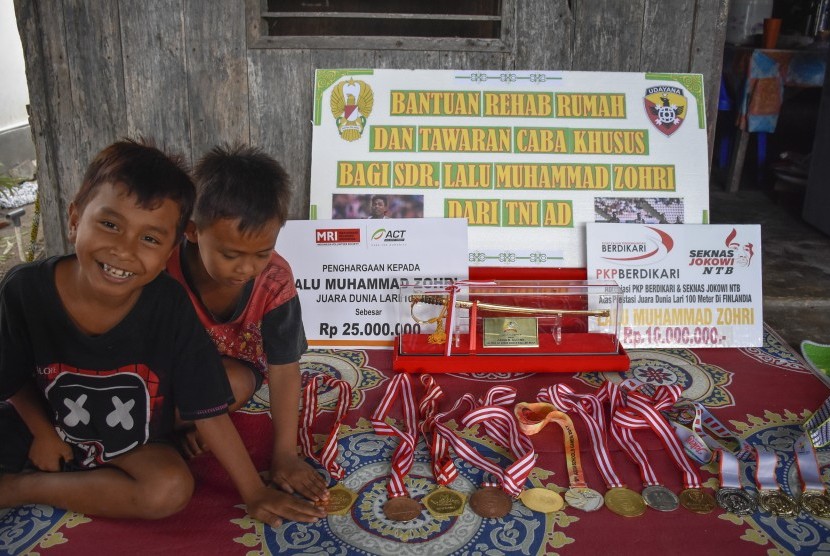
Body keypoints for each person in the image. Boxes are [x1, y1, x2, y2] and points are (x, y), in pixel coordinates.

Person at [0, 139, 325, 527]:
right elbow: (11, 374)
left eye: (149, 238)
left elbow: (222, 402)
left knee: (171, 486)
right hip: (49, 418)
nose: (125, 249)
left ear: (167, 244)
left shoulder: (172, 301)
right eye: (110, 225)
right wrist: (43, 433)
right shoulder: (26, 289)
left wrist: (259, 484)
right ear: (74, 219)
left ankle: (20, 488)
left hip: (133, 431)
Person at [165, 144, 329, 504]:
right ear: (192, 231)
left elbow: (284, 369)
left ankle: (178, 426)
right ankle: (170, 430)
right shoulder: (163, 273)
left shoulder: (274, 280)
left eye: (261, 253)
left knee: (237, 382)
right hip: (164, 382)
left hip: (224, 376)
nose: (246, 268)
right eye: (230, 255)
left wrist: (285, 453)